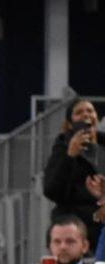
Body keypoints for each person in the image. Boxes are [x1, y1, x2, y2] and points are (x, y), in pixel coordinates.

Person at [44, 98, 101, 246]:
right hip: (76, 228)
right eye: (79, 112)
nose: (86, 115)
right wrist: (70, 156)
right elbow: (52, 191)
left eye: (90, 110)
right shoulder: (63, 147)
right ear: (70, 124)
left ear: (97, 117)